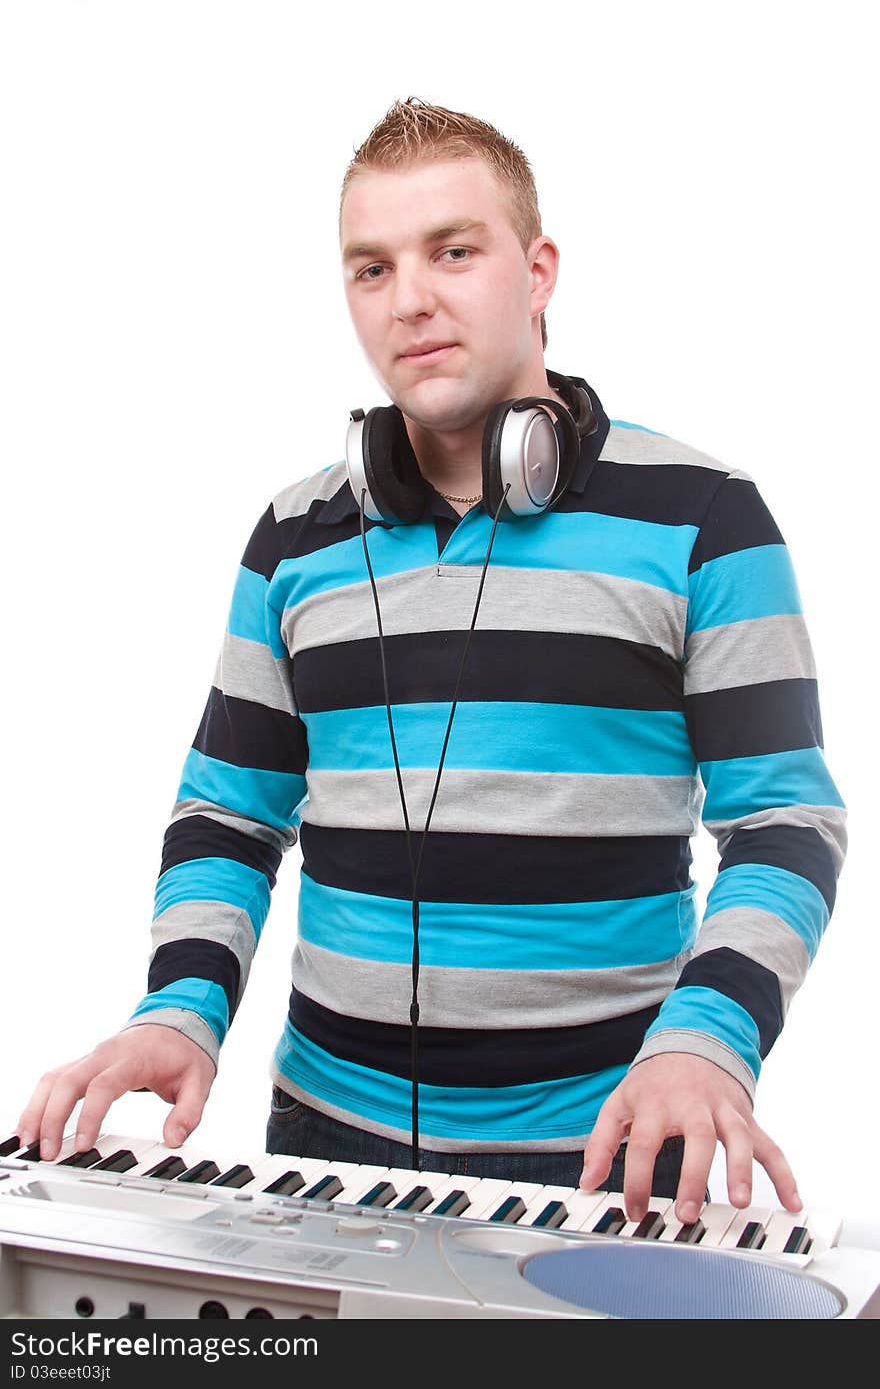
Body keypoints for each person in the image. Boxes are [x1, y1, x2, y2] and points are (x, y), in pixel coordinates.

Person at [16, 97, 846, 1233]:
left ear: (539, 268)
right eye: (371, 267)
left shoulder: (707, 523)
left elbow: (785, 826)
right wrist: (179, 1011)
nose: (409, 299)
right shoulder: (294, 537)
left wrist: (706, 1046)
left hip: (610, 1149)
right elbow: (228, 816)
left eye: (453, 251)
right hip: (319, 1150)